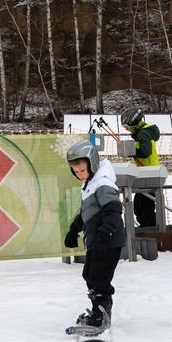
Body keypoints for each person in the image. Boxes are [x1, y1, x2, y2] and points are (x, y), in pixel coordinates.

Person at [64, 140, 126, 328]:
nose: (79, 175)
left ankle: (101, 317)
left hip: (107, 240)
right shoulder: (90, 184)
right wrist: (73, 230)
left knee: (98, 277)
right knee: (90, 275)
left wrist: (102, 236)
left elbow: (114, 211)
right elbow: (87, 213)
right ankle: (98, 311)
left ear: (92, 163)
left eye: (82, 170)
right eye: (75, 172)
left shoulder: (102, 183)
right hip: (98, 241)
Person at [120, 107, 160, 227]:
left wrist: (131, 151)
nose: (127, 130)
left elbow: (145, 151)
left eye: (127, 127)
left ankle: (152, 230)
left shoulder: (143, 134)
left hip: (150, 174)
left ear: (134, 124)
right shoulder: (140, 134)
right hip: (144, 173)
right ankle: (146, 228)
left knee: (145, 208)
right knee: (139, 207)